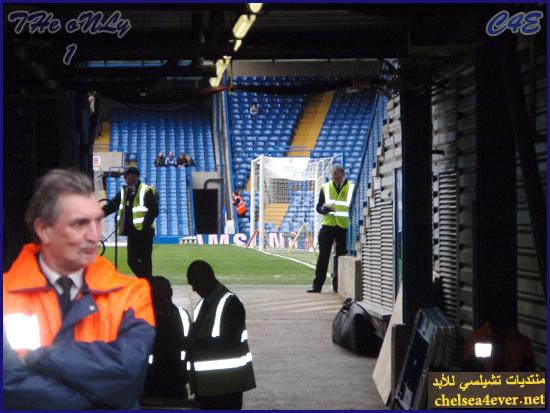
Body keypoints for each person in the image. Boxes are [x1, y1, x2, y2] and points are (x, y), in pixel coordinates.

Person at [3, 168, 156, 409]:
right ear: (44, 229)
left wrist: (38, 357)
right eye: (79, 223)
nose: (95, 235)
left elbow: (127, 379)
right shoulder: (6, 294)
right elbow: (8, 384)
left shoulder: (133, 294)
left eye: (97, 221)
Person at [185, 260, 256, 410]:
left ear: (205, 279)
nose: (193, 289)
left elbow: (231, 341)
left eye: (194, 283)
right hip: (207, 386)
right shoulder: (202, 305)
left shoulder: (231, 303)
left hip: (226, 388)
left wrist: (195, 344)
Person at [103, 166, 158, 279]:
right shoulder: (124, 191)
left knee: (145, 261)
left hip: (144, 233)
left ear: (134, 176)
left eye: (126, 175)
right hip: (132, 234)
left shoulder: (145, 190)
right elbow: (112, 205)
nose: (124, 178)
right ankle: (149, 282)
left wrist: (144, 225)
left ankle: (149, 285)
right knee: (131, 261)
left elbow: (154, 211)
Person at [308, 165, 355, 293]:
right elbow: (319, 206)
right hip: (327, 225)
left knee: (341, 257)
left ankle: (338, 286)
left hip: (342, 227)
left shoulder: (351, 187)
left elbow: (353, 207)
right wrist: (323, 209)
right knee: (323, 256)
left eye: (338, 177)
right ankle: (317, 286)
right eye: (334, 177)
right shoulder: (325, 187)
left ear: (343, 174)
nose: (336, 179)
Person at [143, 276, 189, 401]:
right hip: (150, 384)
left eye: (165, 295)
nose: (163, 300)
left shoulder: (182, 315)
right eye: (159, 296)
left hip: (175, 382)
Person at [463, 295, 535, 372]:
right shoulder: (475, 340)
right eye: (497, 312)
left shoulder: (523, 344)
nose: (501, 316)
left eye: (504, 312)